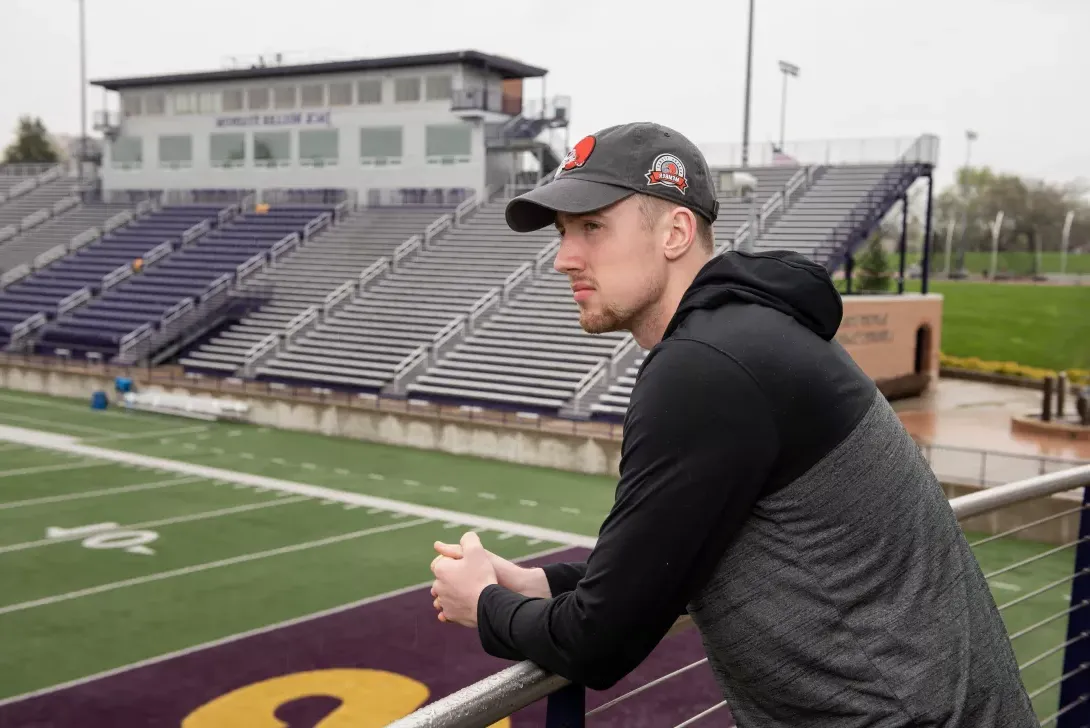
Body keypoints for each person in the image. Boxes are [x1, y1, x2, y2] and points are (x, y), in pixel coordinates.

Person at [428, 122, 1037, 726]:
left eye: (592, 227)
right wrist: (541, 584)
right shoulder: (744, 335)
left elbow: (599, 641)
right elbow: (672, 556)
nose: (564, 259)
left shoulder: (705, 368)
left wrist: (485, 605)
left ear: (675, 232)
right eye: (563, 233)